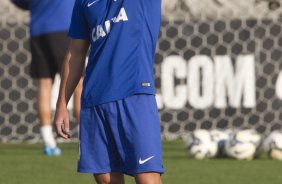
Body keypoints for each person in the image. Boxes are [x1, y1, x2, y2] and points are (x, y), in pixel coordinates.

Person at [54, 0, 163, 183]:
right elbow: (75, 53)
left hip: (134, 96)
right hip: (94, 101)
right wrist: (62, 104)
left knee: (146, 177)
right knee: (106, 179)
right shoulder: (84, 2)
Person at [10, 0, 83, 156]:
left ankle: (49, 142)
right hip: (64, 28)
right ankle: (86, 138)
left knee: (44, 83)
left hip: (38, 30)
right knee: (79, 84)